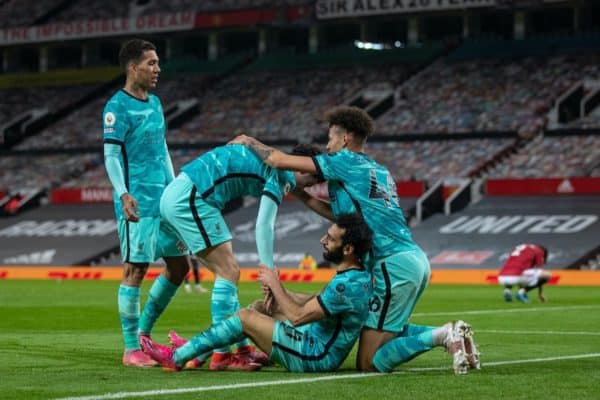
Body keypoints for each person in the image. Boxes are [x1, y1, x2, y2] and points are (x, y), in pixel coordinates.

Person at [231, 105, 480, 374]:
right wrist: (301, 194)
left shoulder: (345, 162)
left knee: (369, 362)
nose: (327, 145)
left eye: (330, 138)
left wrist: (249, 141)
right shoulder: (379, 171)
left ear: (346, 138)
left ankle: (444, 335)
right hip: (412, 259)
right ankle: (452, 334)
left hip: (390, 264)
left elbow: (279, 160)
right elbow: (337, 216)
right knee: (378, 325)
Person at [157, 143, 321, 370]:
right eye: (312, 182)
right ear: (303, 169)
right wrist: (269, 272)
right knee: (229, 272)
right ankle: (221, 355)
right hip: (193, 196)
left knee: (227, 275)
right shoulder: (283, 175)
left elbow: (238, 144)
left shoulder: (269, 157)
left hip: (179, 192)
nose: (309, 187)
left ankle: (242, 351)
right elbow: (264, 224)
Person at [141, 213, 374, 373]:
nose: (323, 240)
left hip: (315, 356)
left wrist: (275, 283)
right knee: (260, 307)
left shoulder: (347, 285)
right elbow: (313, 302)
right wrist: (278, 290)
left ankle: (179, 357)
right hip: (314, 341)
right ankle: (200, 351)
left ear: (348, 249)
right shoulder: (354, 276)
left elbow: (298, 316)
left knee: (245, 318)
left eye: (330, 239)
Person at [102, 39, 190, 368]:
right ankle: (130, 349)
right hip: (136, 200)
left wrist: (175, 186)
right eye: (151, 63)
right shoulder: (116, 108)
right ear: (133, 67)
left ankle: (143, 333)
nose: (158, 69)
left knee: (180, 266)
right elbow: (111, 156)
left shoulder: (155, 103)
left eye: (157, 63)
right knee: (135, 270)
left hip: (164, 199)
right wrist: (123, 193)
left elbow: (162, 149)